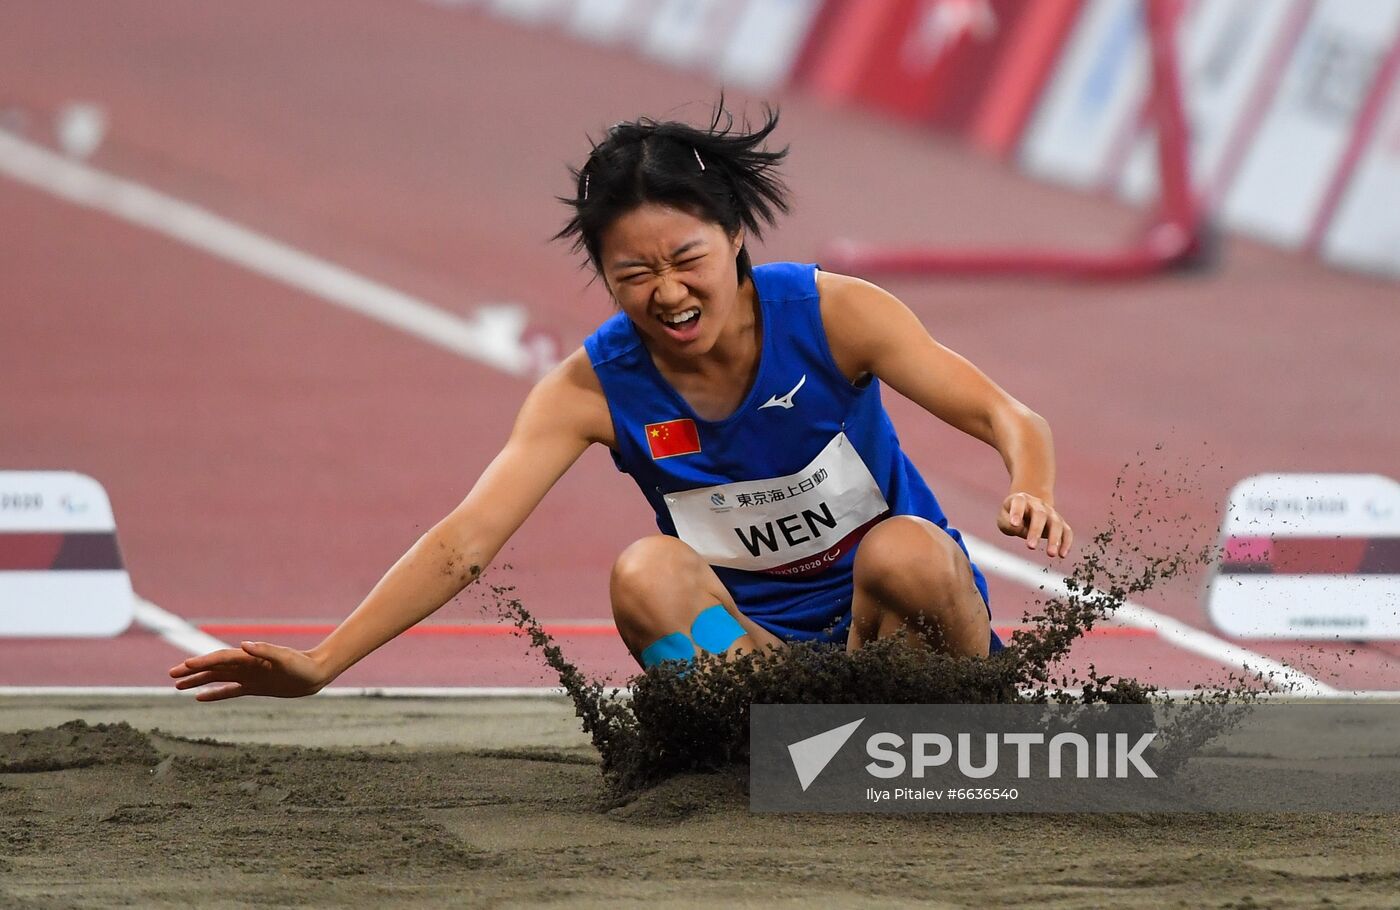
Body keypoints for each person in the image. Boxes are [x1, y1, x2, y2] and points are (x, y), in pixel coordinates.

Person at [169, 104, 1071, 701]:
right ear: (604, 275)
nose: (667, 293)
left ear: (735, 241)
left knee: (908, 549)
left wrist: (1031, 485)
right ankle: (742, 747)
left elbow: (1010, 418)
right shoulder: (590, 388)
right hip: (757, 664)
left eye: (687, 260)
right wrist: (324, 663)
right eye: (633, 273)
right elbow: (464, 541)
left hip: (902, 642)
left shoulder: (833, 314)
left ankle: (970, 738)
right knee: (642, 572)